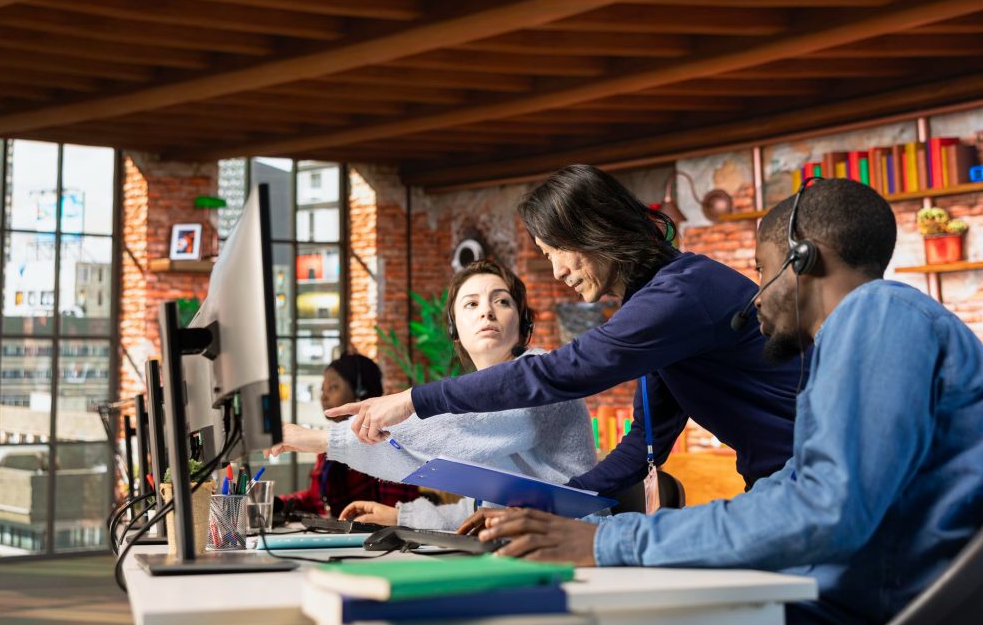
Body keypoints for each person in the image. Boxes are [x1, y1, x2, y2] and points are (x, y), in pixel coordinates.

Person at [461, 178, 983, 625]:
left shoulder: (879, 312)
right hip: (847, 599)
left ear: (804, 259)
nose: (755, 296)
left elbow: (823, 511)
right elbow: (792, 491)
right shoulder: (851, 343)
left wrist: (605, 544)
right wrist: (596, 532)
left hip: (871, 617)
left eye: (762, 269)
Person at [331, 164, 805, 494]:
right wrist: (558, 506)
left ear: (595, 229)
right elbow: (646, 443)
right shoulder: (661, 302)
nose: (557, 271)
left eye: (557, 250)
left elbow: (558, 373)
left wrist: (413, 400)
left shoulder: (680, 295)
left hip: (809, 478)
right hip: (782, 481)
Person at [266, 260, 597, 530]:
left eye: (502, 301)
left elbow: (457, 429)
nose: (487, 311)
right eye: (472, 304)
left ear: (523, 324)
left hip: (577, 542)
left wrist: (320, 439)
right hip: (538, 535)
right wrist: (402, 517)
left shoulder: (538, 374)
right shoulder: (481, 398)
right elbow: (488, 506)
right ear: (455, 329)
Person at [275, 353, 421, 519]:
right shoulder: (330, 440)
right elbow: (318, 500)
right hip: (339, 533)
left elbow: (393, 513)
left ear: (361, 392)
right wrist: (280, 503)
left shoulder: (386, 440)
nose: (323, 396)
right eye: (323, 389)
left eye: (332, 388)